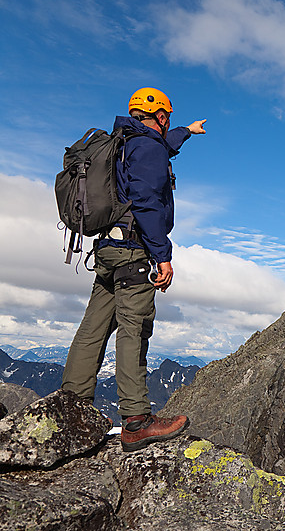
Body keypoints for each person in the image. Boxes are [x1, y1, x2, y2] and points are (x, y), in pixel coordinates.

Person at [61, 87, 206, 452]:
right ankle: (137, 421)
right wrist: (163, 255)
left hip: (108, 251)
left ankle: (69, 410)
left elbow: (159, 148)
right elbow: (146, 201)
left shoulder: (123, 142)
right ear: (158, 115)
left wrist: (186, 131)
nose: (168, 123)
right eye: (167, 118)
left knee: (93, 328)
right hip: (134, 252)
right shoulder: (149, 148)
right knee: (134, 329)